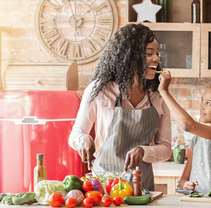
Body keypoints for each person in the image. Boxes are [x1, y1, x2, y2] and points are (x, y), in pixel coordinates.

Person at [68, 23, 171, 191]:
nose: (157, 59)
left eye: (157, 53)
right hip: (103, 187)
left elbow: (166, 148)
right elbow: (76, 134)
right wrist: (83, 140)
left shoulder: (158, 95)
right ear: (130, 56)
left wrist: (144, 151)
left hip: (141, 188)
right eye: (149, 54)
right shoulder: (99, 90)